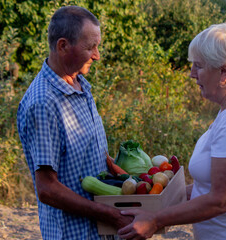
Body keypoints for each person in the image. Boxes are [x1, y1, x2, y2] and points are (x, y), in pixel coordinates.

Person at [117, 21, 226, 240]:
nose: (192, 74)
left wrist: (156, 220)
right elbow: (209, 188)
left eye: (198, 66)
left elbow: (221, 199)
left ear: (223, 72)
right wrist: (159, 199)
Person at [17, 6, 132, 240]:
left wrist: (125, 176)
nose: (97, 55)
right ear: (62, 46)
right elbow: (47, 189)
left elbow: (87, 153)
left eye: (97, 46)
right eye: (90, 47)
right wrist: (109, 214)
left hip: (100, 231)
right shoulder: (44, 103)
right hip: (74, 233)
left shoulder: (80, 85)